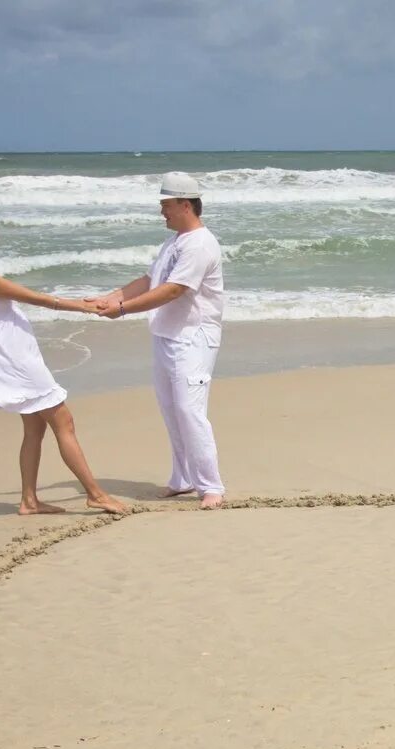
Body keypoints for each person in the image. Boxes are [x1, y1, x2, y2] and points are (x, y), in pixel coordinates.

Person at [0, 206, 128, 516]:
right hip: (11, 354)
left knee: (35, 427)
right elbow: (39, 299)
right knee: (62, 420)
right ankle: (95, 494)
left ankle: (29, 500)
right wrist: (83, 306)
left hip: (3, 349)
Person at [87, 172, 226, 508]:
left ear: (185, 204)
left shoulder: (200, 244)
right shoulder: (174, 242)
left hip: (193, 338)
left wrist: (122, 309)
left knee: (189, 411)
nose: (162, 211)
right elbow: (152, 280)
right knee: (171, 411)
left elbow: (174, 289)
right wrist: (111, 297)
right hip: (167, 335)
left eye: (166, 205)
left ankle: (212, 487)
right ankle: (182, 479)